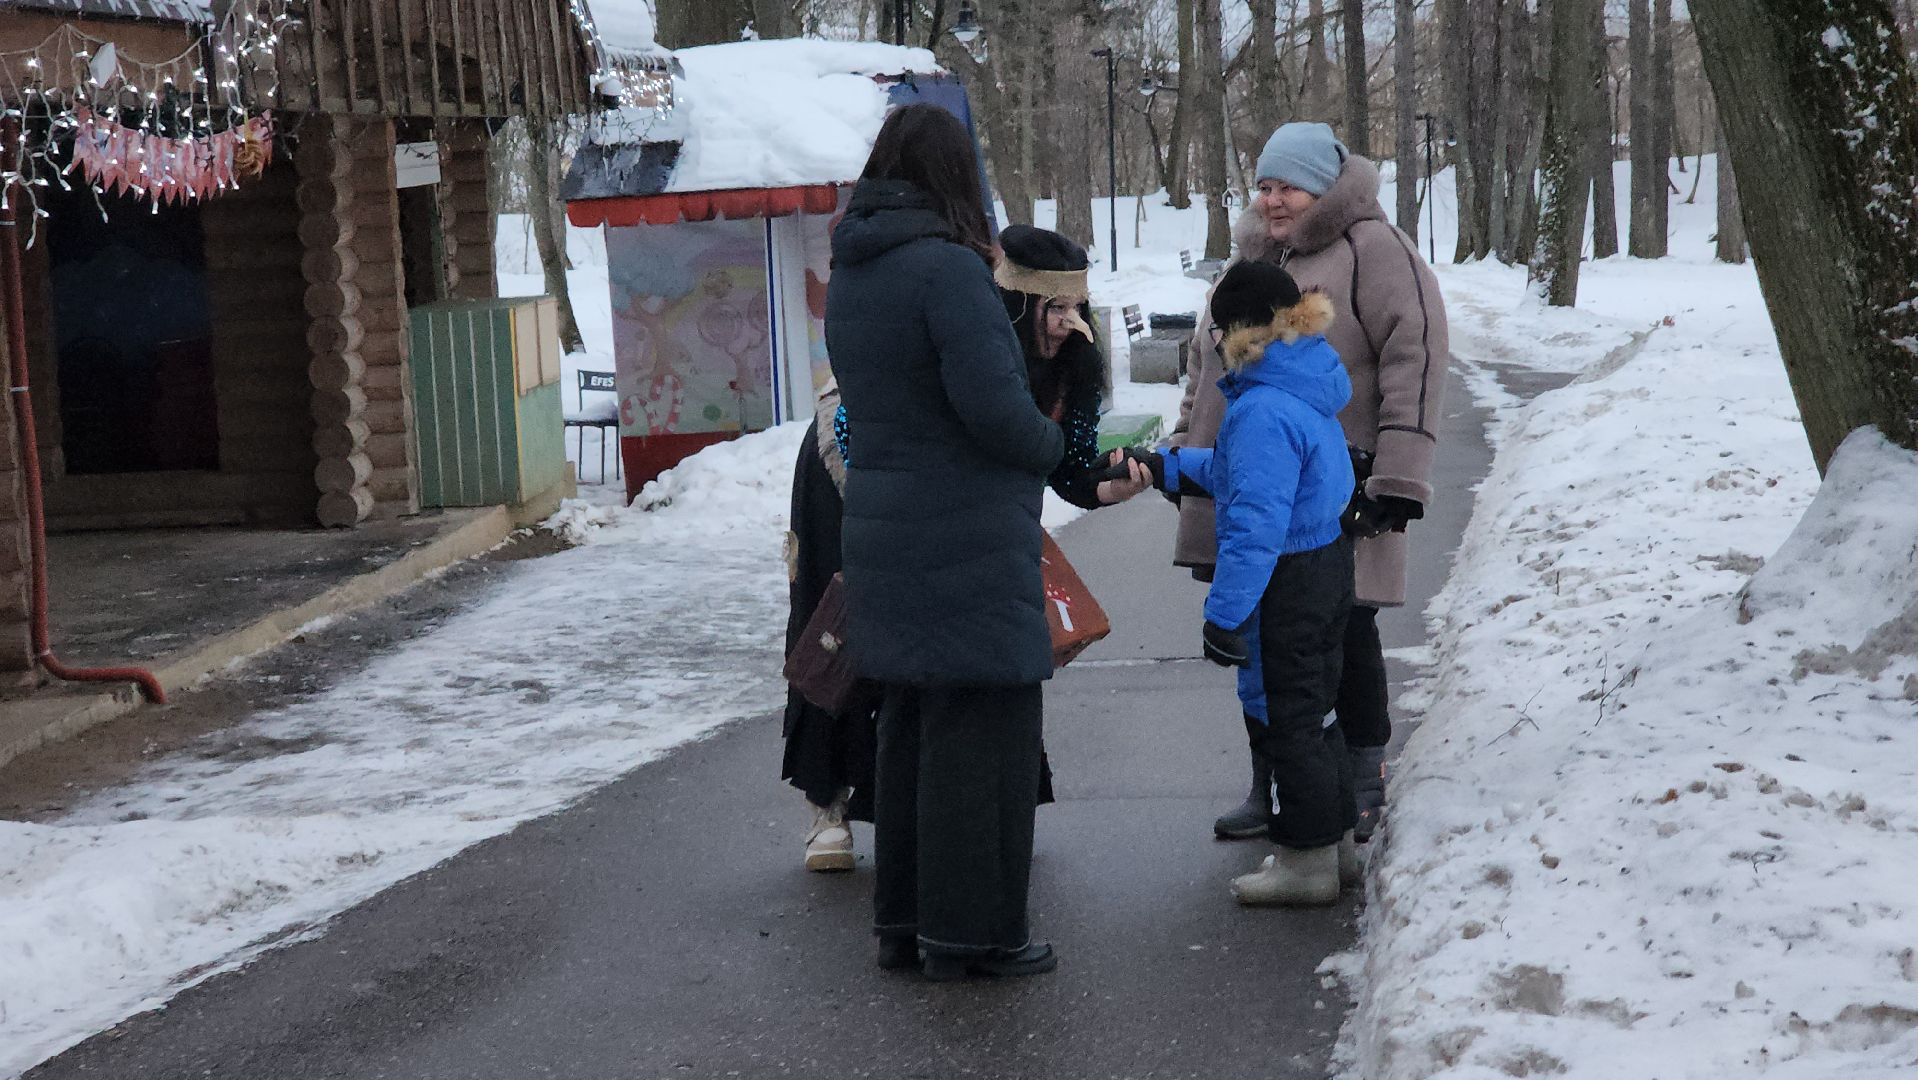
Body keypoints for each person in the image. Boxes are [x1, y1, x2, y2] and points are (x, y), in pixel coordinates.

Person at [779, 226, 1147, 875]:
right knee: (842, 619)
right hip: (851, 467)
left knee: (974, 639)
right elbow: (873, 435)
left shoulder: (1075, 363)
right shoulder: (967, 345)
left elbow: (1066, 461)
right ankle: (826, 803)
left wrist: (1104, 487)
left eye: (1076, 308)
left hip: (953, 500)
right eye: (1052, 309)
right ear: (1013, 303)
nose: (1068, 324)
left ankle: (979, 799)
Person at [824, 103, 1064, 980]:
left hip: (887, 527)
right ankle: (974, 936)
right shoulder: (951, 272)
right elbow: (995, 415)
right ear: (960, 178)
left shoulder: (855, 268)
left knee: (913, 728)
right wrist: (1055, 445)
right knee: (983, 734)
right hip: (964, 532)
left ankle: (905, 924)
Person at [1172, 122, 1450, 845]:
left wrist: (1398, 475)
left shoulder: (1375, 250)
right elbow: (1208, 367)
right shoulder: (1255, 259)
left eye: (1286, 185)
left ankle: (1361, 776)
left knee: (1346, 631)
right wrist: (1182, 445)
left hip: (1341, 495)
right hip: (1252, 482)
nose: (1272, 200)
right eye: (1263, 186)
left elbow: (1415, 360)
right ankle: (1276, 784)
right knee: (1262, 641)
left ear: (1325, 187)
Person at [1115, 261, 1359, 905]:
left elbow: (1255, 526)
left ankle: (1304, 862)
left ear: (1235, 332)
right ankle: (1336, 845)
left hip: (1287, 582)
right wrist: (1163, 466)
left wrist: (1223, 616)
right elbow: (1246, 475)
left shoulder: (1260, 411)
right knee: (1320, 712)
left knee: (1288, 720)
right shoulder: (1302, 383)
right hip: (1327, 567)